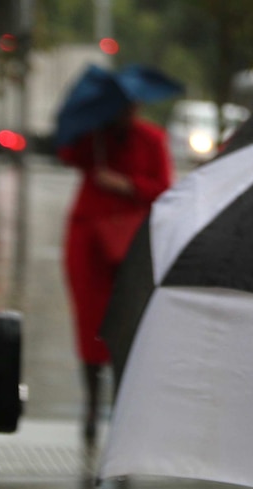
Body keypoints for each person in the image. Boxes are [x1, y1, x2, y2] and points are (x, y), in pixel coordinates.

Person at [58, 103, 172, 448]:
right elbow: (66, 155)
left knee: (128, 326)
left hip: (129, 246)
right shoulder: (93, 138)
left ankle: (124, 407)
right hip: (89, 245)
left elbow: (163, 188)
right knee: (90, 326)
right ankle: (91, 406)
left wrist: (125, 184)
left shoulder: (151, 139)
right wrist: (83, 131)